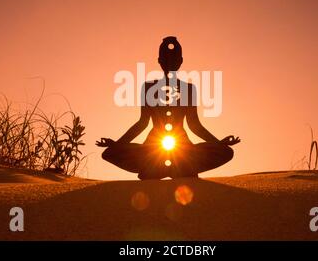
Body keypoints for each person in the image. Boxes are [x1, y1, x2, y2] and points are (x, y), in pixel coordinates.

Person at [96, 36, 240, 180]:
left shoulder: (189, 89)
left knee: (226, 152)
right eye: (166, 59)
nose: (170, 63)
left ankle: (174, 168)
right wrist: (117, 144)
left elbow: (194, 125)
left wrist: (219, 143)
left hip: (183, 149)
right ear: (159, 61)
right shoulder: (148, 88)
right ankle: (163, 168)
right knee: (110, 153)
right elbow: (142, 123)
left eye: (174, 59)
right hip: (153, 149)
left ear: (181, 61)